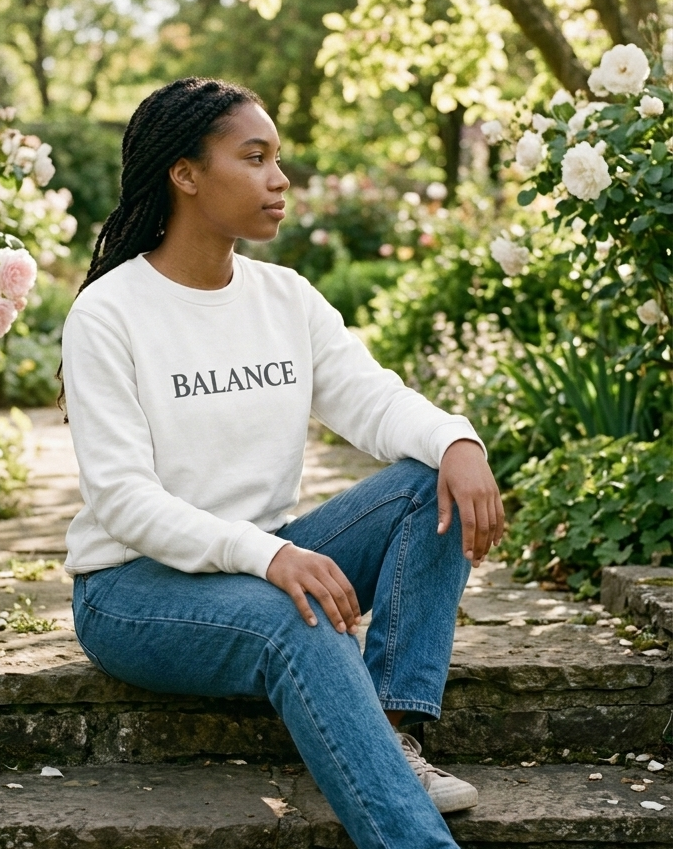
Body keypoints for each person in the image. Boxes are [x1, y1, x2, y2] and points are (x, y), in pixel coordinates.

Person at [59, 77, 504, 849]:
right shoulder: (109, 313)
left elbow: (374, 400)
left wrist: (460, 442)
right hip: (131, 587)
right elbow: (123, 498)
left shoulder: (285, 298)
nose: (279, 179)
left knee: (430, 479)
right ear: (186, 173)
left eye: (277, 159)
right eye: (254, 157)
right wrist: (268, 554)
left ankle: (390, 732)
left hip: (265, 559)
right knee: (299, 623)